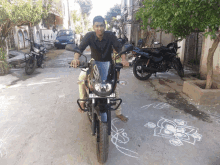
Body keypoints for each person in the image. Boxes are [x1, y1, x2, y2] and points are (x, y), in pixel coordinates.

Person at [70, 16, 129, 122]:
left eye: (101, 25)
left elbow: (120, 49)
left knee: (114, 86)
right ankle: (83, 102)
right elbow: (80, 49)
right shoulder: (89, 36)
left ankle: (119, 112)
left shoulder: (110, 35)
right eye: (97, 26)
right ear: (93, 27)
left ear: (104, 26)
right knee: (82, 78)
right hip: (93, 63)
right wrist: (75, 59)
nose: (99, 28)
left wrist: (124, 60)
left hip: (108, 65)